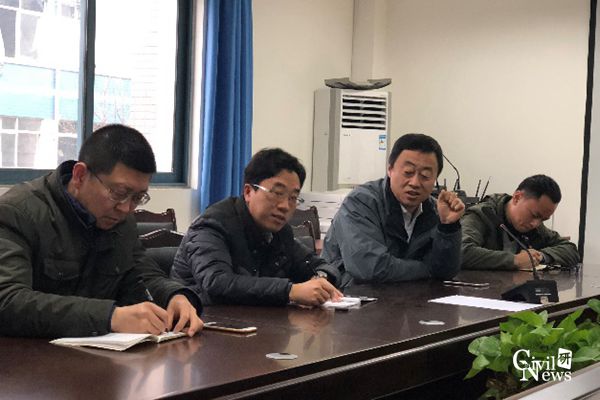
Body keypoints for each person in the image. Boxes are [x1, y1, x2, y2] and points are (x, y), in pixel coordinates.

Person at [0, 124, 203, 338]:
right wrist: (110, 317)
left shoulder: (120, 221)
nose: (126, 208)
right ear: (80, 175)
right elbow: (7, 300)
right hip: (27, 354)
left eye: (138, 197)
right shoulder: (17, 213)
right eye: (119, 193)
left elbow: (140, 274)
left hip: (97, 352)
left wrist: (174, 296)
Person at [171, 148, 343, 306]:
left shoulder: (280, 233)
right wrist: (290, 291)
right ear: (248, 192)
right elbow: (217, 283)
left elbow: (322, 265)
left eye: (293, 198)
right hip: (206, 322)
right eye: (277, 193)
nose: (285, 206)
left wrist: (320, 279)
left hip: (258, 322)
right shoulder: (212, 225)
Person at [321, 133, 465, 283]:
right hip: (349, 292)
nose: (415, 183)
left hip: (407, 294)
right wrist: (429, 269)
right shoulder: (361, 202)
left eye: (425, 176)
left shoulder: (434, 209)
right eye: (408, 173)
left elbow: (446, 271)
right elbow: (371, 268)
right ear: (390, 169)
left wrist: (448, 227)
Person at [461, 174, 580, 270]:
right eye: (534, 215)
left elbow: (570, 249)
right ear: (517, 197)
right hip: (480, 290)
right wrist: (515, 260)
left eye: (543, 220)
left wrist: (540, 256)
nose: (535, 224)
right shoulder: (481, 214)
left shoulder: (535, 226)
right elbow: (461, 251)